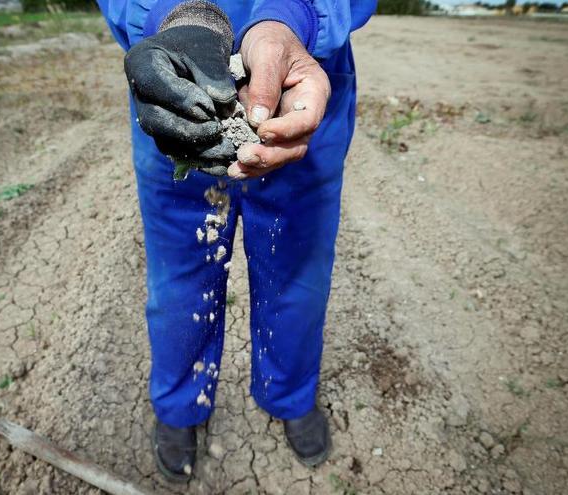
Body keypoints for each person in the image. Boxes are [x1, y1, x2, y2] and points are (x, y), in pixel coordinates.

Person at [97, 0, 376, 482]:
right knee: (179, 281)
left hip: (300, 79)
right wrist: (181, 15)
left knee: (297, 276)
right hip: (177, 82)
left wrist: (292, 16)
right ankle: (181, 407)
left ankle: (288, 395)